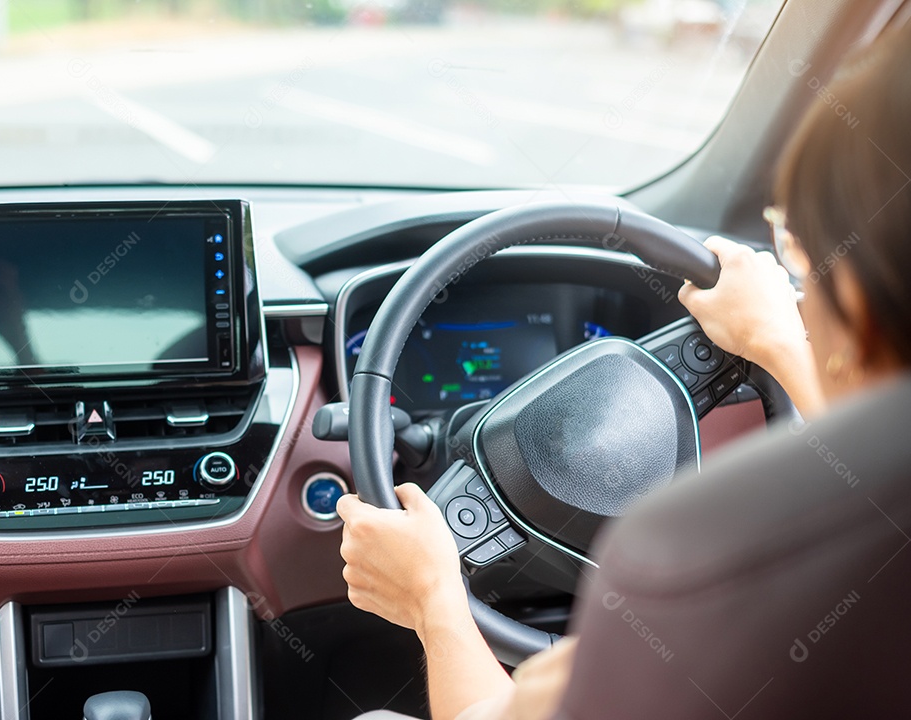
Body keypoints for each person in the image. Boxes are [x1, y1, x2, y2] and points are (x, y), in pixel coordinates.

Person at [337, 20, 911, 720]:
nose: (796, 293)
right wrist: (778, 344)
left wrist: (432, 599)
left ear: (854, 295)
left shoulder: (684, 580)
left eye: (802, 257)